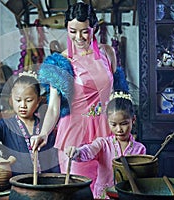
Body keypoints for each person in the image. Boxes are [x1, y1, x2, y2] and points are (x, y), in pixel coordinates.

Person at [31, 1, 117, 191]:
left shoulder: (108, 53)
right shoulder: (60, 62)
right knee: (79, 192)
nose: (78, 37)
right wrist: (43, 133)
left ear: (94, 27)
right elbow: (54, 106)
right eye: (72, 31)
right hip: (75, 135)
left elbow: (115, 94)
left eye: (84, 31)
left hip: (107, 132)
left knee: (108, 191)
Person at [64, 91, 146, 199]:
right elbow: (88, 151)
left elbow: (142, 178)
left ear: (133, 120)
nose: (119, 129)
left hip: (127, 195)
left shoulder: (140, 149)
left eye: (124, 123)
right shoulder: (103, 144)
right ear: (108, 122)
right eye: (113, 124)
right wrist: (76, 152)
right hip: (103, 196)